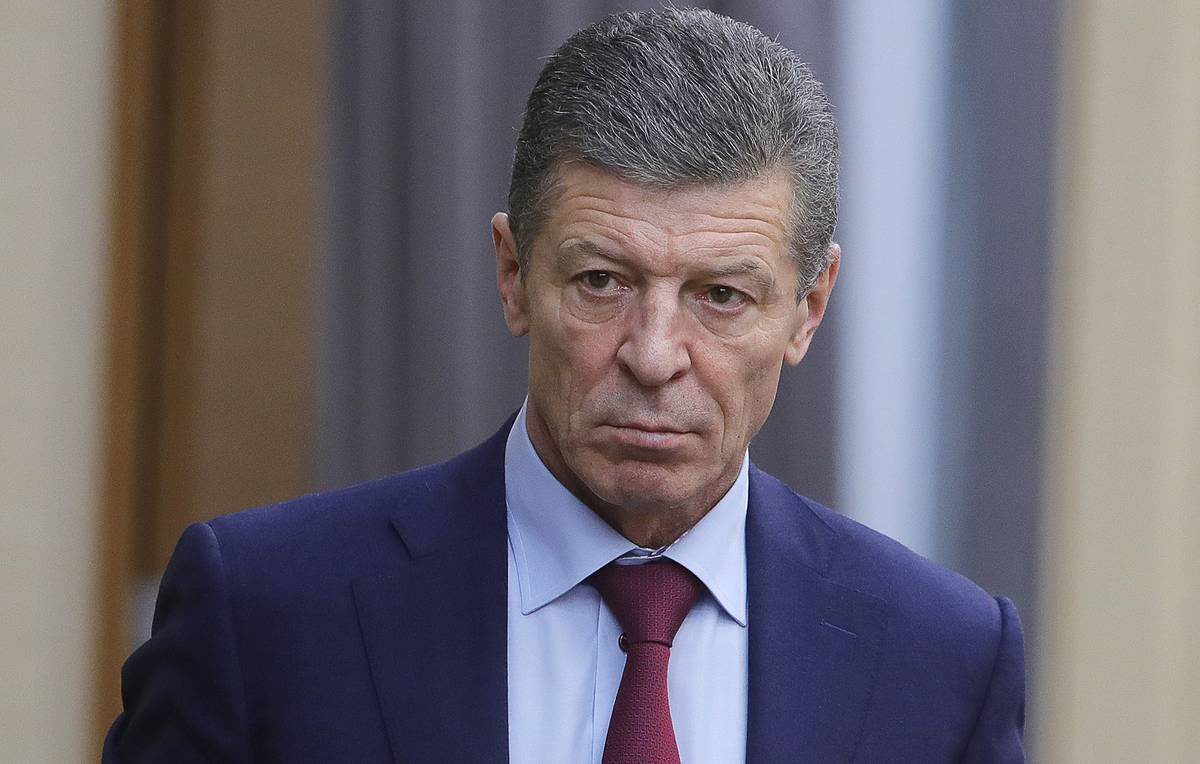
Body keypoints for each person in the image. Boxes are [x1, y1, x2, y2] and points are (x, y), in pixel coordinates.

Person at [105, 7, 1024, 763]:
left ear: (809, 309)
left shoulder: (941, 659)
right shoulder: (266, 611)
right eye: (602, 282)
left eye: (721, 296)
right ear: (513, 274)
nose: (654, 355)